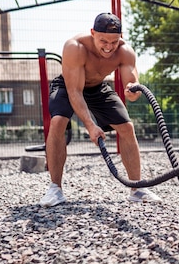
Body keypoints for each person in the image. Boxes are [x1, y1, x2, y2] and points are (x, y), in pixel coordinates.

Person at [39, 12, 161, 207]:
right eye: (103, 40)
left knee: (127, 127)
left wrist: (132, 91)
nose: (108, 46)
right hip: (69, 87)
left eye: (114, 41)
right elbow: (75, 92)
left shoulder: (125, 51)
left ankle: (137, 189)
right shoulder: (75, 47)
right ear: (92, 33)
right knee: (58, 122)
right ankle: (55, 189)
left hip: (98, 87)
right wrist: (91, 126)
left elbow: (132, 83)